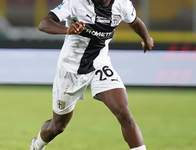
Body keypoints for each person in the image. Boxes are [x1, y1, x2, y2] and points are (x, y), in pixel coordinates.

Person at [30, 0, 154, 149]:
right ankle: (37, 145)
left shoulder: (122, 4)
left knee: (124, 114)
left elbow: (134, 22)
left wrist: (146, 39)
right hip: (71, 69)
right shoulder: (75, 3)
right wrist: (67, 30)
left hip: (99, 65)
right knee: (57, 127)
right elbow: (44, 24)